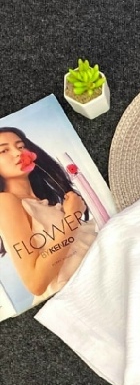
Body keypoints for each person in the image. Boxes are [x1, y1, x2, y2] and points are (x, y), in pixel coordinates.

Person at [0, 126, 97, 301]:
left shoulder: (46, 203)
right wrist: (72, 218)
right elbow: (36, 283)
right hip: (79, 296)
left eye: (21, 146)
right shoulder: (5, 201)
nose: (18, 153)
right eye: (3, 151)